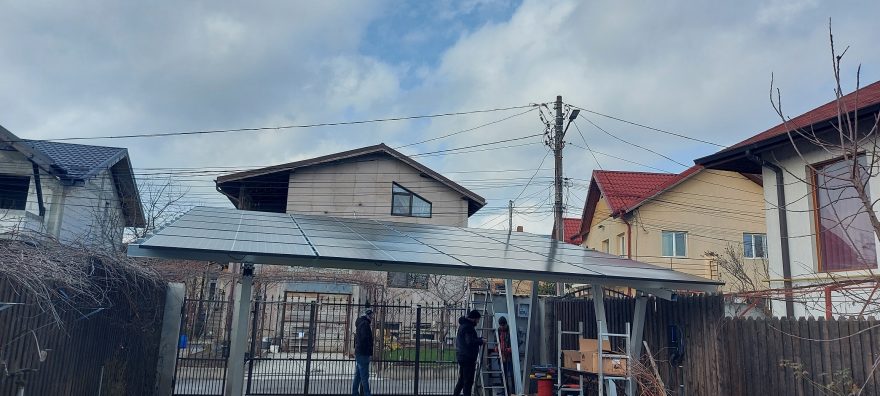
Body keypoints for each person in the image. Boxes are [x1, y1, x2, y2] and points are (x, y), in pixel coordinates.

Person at [454, 309, 484, 396]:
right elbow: (469, 341)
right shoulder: (468, 327)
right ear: (474, 318)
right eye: (478, 320)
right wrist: (481, 341)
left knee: (462, 380)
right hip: (468, 358)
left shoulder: (463, 325)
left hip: (462, 356)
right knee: (468, 382)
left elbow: (468, 340)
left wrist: (479, 339)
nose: (478, 322)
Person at [352, 308, 375, 396]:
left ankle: (355, 392)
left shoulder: (360, 323)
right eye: (371, 316)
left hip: (360, 353)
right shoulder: (365, 324)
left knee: (358, 375)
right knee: (365, 376)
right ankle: (367, 394)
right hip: (363, 353)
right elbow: (364, 339)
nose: (372, 318)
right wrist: (368, 352)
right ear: (367, 315)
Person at [495, 316, 514, 394]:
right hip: (501, 355)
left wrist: (510, 349)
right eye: (501, 326)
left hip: (510, 356)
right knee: (503, 375)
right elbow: (495, 340)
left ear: (506, 324)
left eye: (503, 325)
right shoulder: (498, 331)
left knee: (512, 374)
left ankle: (513, 390)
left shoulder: (511, 330)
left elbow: (516, 342)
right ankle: (505, 391)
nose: (502, 327)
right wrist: (496, 348)